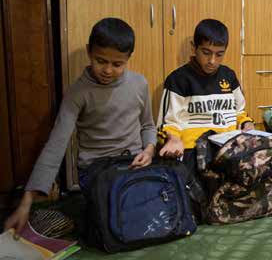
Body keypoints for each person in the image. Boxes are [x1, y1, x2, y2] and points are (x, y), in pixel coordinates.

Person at [4, 18, 157, 233]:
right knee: (113, 220)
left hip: (131, 162)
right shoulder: (78, 92)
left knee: (150, 213)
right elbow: (56, 145)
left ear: (128, 59)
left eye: (117, 64)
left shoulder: (139, 84)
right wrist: (26, 202)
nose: (108, 70)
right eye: (100, 61)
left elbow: (148, 126)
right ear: (88, 51)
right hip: (95, 169)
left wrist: (149, 151)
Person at [157, 19, 253, 170]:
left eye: (219, 54)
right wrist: (173, 139)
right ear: (194, 48)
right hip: (193, 150)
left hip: (227, 148)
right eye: (206, 52)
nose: (212, 61)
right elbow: (167, 123)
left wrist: (247, 124)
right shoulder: (178, 80)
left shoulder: (229, 76)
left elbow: (240, 112)